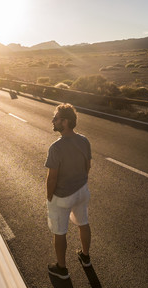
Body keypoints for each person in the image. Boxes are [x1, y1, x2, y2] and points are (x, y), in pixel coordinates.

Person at [45, 103, 92, 280]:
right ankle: (85, 257)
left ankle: (62, 269)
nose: (53, 121)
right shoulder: (84, 140)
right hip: (82, 191)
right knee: (83, 223)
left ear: (65, 122)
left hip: (62, 196)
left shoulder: (56, 148)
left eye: (55, 118)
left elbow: (52, 178)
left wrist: (50, 197)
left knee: (60, 231)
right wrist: (80, 182)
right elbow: (88, 166)